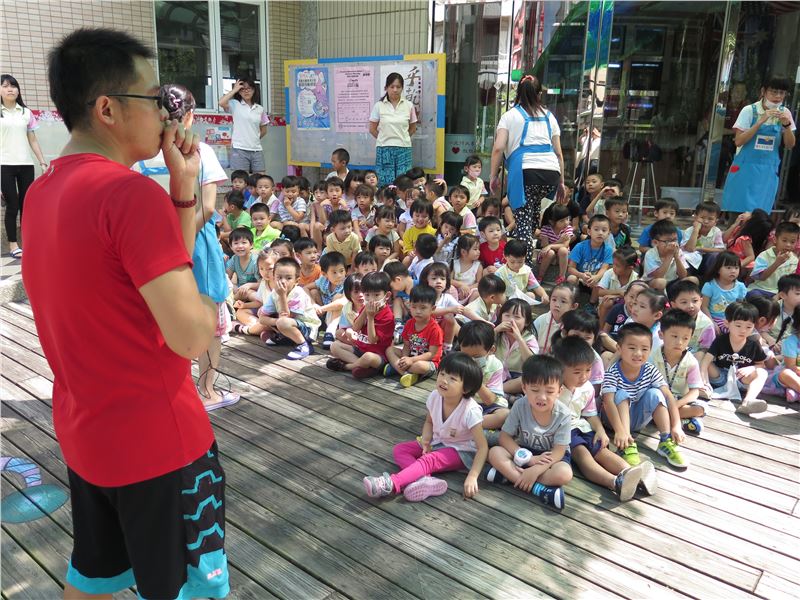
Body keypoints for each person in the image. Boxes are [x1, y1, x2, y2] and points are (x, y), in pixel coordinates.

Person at [22, 28, 228, 598]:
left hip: (90, 435)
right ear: (108, 109)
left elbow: (149, 282)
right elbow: (190, 336)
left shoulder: (42, 193)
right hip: (161, 445)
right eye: (155, 99)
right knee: (186, 590)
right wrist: (210, 303)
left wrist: (182, 191)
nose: (168, 114)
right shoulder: (128, 195)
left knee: (93, 576)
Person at [363, 352, 487, 501]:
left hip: (461, 451)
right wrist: (426, 440)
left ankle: (391, 483)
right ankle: (425, 480)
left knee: (429, 459)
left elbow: (482, 448)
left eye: (452, 378)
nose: (444, 380)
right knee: (400, 449)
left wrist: (472, 476)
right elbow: (429, 422)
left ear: (466, 388)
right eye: (442, 374)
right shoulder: (435, 396)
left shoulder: (470, 411)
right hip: (438, 441)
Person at [552, 337, 653, 501]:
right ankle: (614, 482)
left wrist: (600, 430)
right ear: (559, 369)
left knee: (601, 450)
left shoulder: (587, 388)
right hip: (561, 432)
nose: (584, 376)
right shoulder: (552, 389)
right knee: (583, 454)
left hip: (581, 426)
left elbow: (590, 413)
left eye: (588, 370)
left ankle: (634, 475)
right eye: (577, 372)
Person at [490, 75, 565, 264]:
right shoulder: (549, 117)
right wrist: (562, 182)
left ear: (518, 93)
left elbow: (498, 148)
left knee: (523, 220)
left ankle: (525, 268)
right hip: (551, 173)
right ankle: (527, 255)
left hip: (525, 173)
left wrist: (493, 176)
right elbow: (558, 153)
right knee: (532, 213)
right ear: (539, 94)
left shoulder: (510, 116)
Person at [485, 355, 573, 510]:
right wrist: (529, 460)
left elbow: (559, 451)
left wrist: (536, 470)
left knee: (564, 474)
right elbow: (505, 437)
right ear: (524, 388)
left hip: (551, 458)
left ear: (559, 391)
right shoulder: (520, 405)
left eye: (550, 391)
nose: (542, 397)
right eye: (535, 390)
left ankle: (509, 476)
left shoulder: (563, 414)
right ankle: (539, 490)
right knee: (494, 453)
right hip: (524, 452)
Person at [601, 324, 687, 468]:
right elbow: (608, 402)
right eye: (632, 348)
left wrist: (676, 426)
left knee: (656, 393)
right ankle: (626, 444)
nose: (638, 353)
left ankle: (665, 440)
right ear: (619, 348)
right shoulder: (613, 372)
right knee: (622, 394)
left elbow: (668, 396)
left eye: (644, 349)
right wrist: (620, 431)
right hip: (614, 420)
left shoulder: (650, 370)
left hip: (637, 420)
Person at [721, 74, 796, 215]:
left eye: (782, 93)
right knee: (738, 216)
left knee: (760, 217)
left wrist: (786, 125)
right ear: (763, 91)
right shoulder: (749, 110)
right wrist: (760, 122)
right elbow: (738, 141)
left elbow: (790, 145)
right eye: (773, 92)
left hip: (767, 173)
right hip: (745, 170)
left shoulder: (785, 113)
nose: (778, 96)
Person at [1, 74, 48, 259]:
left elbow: (33, 140)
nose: (10, 89)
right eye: (5, 86)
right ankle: (13, 245)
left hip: (26, 164)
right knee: (12, 205)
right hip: (4, 165)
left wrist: (42, 162)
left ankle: (28, 242)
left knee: (27, 206)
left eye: (13, 86)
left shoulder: (25, 113)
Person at [700, 302, 769, 414]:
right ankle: (704, 389)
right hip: (720, 376)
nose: (743, 330)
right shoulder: (720, 340)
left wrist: (751, 368)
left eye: (748, 327)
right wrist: (705, 382)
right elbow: (706, 362)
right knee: (701, 357)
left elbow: (761, 364)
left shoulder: (754, 343)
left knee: (762, 373)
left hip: (740, 378)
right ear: (727, 323)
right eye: (738, 325)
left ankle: (747, 402)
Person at [327, 271, 395, 378]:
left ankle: (347, 366)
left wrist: (371, 318)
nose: (371, 299)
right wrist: (365, 312)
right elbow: (355, 328)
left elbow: (372, 340)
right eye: (367, 295)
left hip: (378, 356)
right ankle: (362, 366)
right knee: (334, 346)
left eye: (376, 295)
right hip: (360, 348)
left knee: (368, 357)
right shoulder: (365, 307)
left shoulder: (388, 316)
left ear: (387, 296)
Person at [259, 256, 321, 359]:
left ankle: (304, 345)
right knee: (267, 315)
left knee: (283, 322)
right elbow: (262, 318)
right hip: (289, 323)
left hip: (308, 328)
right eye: (279, 277)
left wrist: (282, 296)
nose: (283, 281)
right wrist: (276, 322)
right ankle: (287, 338)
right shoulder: (274, 293)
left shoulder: (298, 293)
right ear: (273, 277)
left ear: (296, 281)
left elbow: (287, 317)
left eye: (288, 278)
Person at [384, 284, 443, 387]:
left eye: (423, 308)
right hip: (411, 356)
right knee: (389, 349)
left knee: (419, 366)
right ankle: (405, 373)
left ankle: (397, 368)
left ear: (433, 308)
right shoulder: (409, 324)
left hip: (428, 362)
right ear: (409, 305)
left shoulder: (435, 329)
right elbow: (406, 345)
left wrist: (411, 360)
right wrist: (404, 358)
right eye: (414, 307)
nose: (418, 311)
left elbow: (431, 354)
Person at [369, 73, 418, 185]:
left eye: (398, 87)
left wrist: (402, 137)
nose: (395, 90)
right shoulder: (379, 106)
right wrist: (384, 139)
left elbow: (413, 128)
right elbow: (372, 129)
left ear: (402, 88)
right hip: (384, 149)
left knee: (404, 182)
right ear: (386, 88)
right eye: (392, 86)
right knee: (385, 182)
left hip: (404, 149)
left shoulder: (409, 105)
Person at [218, 76, 268, 172]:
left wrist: (253, 138)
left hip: (256, 150)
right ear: (239, 92)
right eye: (242, 89)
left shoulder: (260, 109)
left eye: (249, 88)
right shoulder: (234, 104)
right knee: (241, 178)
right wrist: (234, 89)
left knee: (260, 177)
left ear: (254, 90)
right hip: (239, 149)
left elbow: (264, 130)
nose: (246, 91)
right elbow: (221, 102)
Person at [701, 251, 747, 331]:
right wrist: (712, 322)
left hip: (732, 319)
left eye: (736, 268)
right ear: (718, 269)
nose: (733, 271)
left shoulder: (740, 287)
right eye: (728, 268)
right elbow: (704, 307)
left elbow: (740, 307)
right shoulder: (710, 286)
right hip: (714, 318)